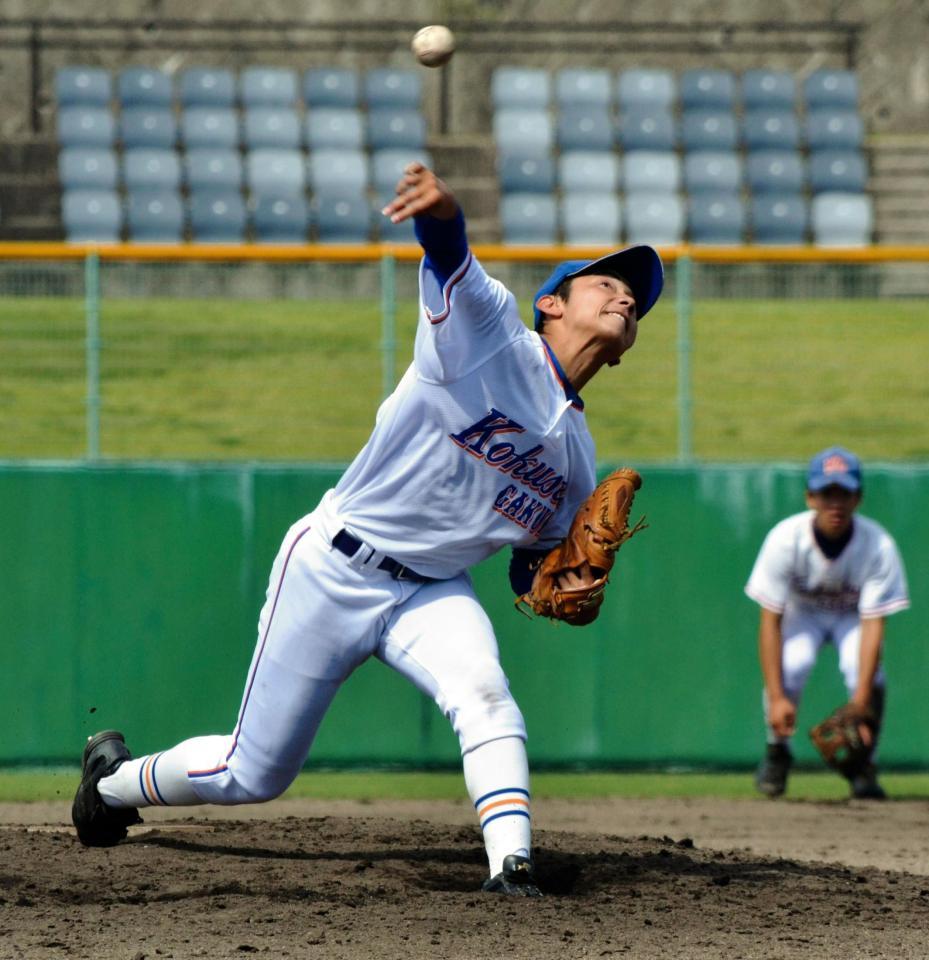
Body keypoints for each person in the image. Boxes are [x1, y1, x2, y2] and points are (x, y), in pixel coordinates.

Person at [72, 163, 664, 895]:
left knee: (485, 694)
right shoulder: (487, 335)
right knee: (251, 772)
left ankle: (511, 868)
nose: (626, 295)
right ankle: (109, 784)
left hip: (430, 592)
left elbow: (529, 566)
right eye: (605, 283)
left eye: (636, 297)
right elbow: (449, 254)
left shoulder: (578, 463)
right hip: (334, 564)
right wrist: (443, 210)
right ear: (551, 303)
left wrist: (560, 581)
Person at [745, 446, 910, 800]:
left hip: (852, 617)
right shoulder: (785, 540)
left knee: (862, 669)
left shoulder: (878, 545)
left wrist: (862, 700)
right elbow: (769, 621)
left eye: (844, 493)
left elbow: (873, 626)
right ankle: (777, 751)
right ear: (810, 496)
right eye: (826, 492)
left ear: (858, 498)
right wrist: (776, 698)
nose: (835, 502)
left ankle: (865, 764)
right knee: (792, 664)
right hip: (803, 613)